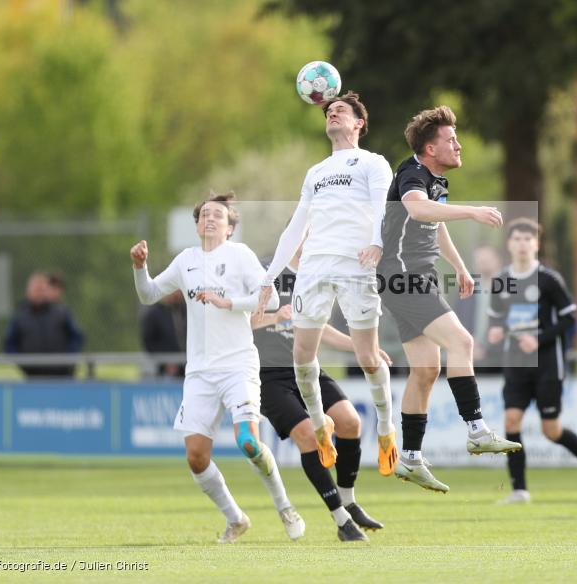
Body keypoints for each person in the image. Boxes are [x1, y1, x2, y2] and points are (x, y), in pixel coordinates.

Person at [130, 192, 305, 544]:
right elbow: (148, 294)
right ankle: (235, 518)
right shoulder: (186, 261)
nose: (209, 219)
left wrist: (229, 303)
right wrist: (139, 267)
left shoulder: (240, 255)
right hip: (199, 372)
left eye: (217, 215)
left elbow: (267, 297)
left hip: (238, 364)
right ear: (196, 225)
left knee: (247, 443)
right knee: (196, 457)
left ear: (229, 228)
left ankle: (285, 506)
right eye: (204, 214)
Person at [377, 105, 520, 493]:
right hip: (402, 275)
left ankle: (409, 458)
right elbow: (417, 208)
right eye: (450, 139)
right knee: (463, 342)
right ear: (429, 148)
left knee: (426, 370)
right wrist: (472, 212)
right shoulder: (412, 172)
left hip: (414, 276)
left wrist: (457, 266)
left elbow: (433, 221)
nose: (458, 145)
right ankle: (476, 429)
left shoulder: (435, 179)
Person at [257, 91, 397, 476]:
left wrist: (377, 242)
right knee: (303, 357)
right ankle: (321, 427)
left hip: (356, 266)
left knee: (368, 358)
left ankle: (386, 431)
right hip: (314, 268)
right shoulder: (315, 172)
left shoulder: (373, 162)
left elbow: (384, 205)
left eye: (341, 111)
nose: (332, 114)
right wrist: (270, 278)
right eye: (329, 111)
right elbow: (295, 227)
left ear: (358, 124)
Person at [252, 249, 388, 542]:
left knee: (351, 422)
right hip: (268, 376)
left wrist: (363, 348)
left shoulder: (317, 272)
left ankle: (350, 502)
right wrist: (275, 316)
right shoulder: (266, 271)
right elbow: (238, 320)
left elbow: (321, 328)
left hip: (306, 368)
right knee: (310, 437)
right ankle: (341, 519)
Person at [488, 219, 577, 503]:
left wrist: (538, 338)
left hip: (547, 363)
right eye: (516, 239)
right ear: (509, 244)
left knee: (551, 429)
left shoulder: (549, 280)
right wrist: (495, 331)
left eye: (527, 239)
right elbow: (497, 319)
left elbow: (569, 318)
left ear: (536, 244)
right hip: (516, 363)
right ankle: (519, 490)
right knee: (511, 420)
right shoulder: (501, 281)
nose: (522, 244)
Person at [3, 271, 84, 378]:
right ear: (28, 291)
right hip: (32, 377)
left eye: (42, 289)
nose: (39, 293)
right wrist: (22, 363)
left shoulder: (62, 312)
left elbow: (77, 336)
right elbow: (10, 343)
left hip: (63, 376)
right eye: (36, 289)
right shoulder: (20, 316)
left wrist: (67, 359)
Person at [455, 244, 503, 374]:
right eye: (479, 261)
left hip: (502, 356)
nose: (483, 264)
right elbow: (458, 319)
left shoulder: (509, 287)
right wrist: (471, 344)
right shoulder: (466, 287)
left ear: (497, 260)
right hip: (471, 354)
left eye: (487, 260)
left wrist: (487, 348)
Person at [140, 291, 186, 377]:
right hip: (165, 370)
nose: (176, 294)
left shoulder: (186, 311)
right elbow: (148, 342)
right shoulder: (154, 314)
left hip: (187, 366)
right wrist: (165, 363)